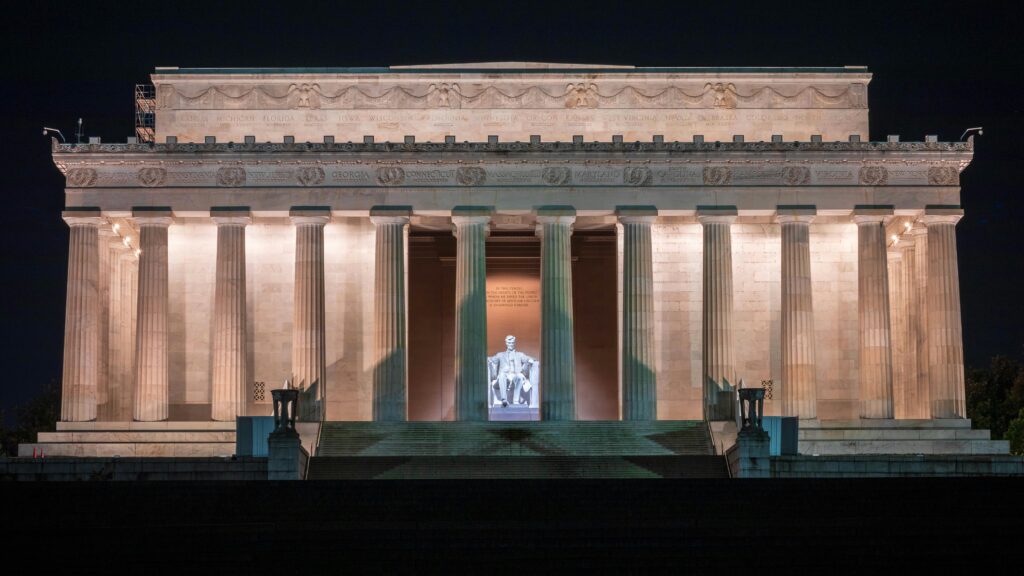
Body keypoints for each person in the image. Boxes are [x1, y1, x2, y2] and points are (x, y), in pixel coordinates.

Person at [488, 335, 538, 407]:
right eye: (509, 343)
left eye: (512, 343)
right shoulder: (500, 355)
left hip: (516, 376)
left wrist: (530, 360)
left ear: (514, 343)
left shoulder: (520, 355)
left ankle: (516, 401)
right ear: (506, 343)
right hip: (504, 377)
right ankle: (504, 400)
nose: (511, 344)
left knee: (520, 377)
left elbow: (528, 358)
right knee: (502, 375)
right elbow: (491, 359)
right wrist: (487, 360)